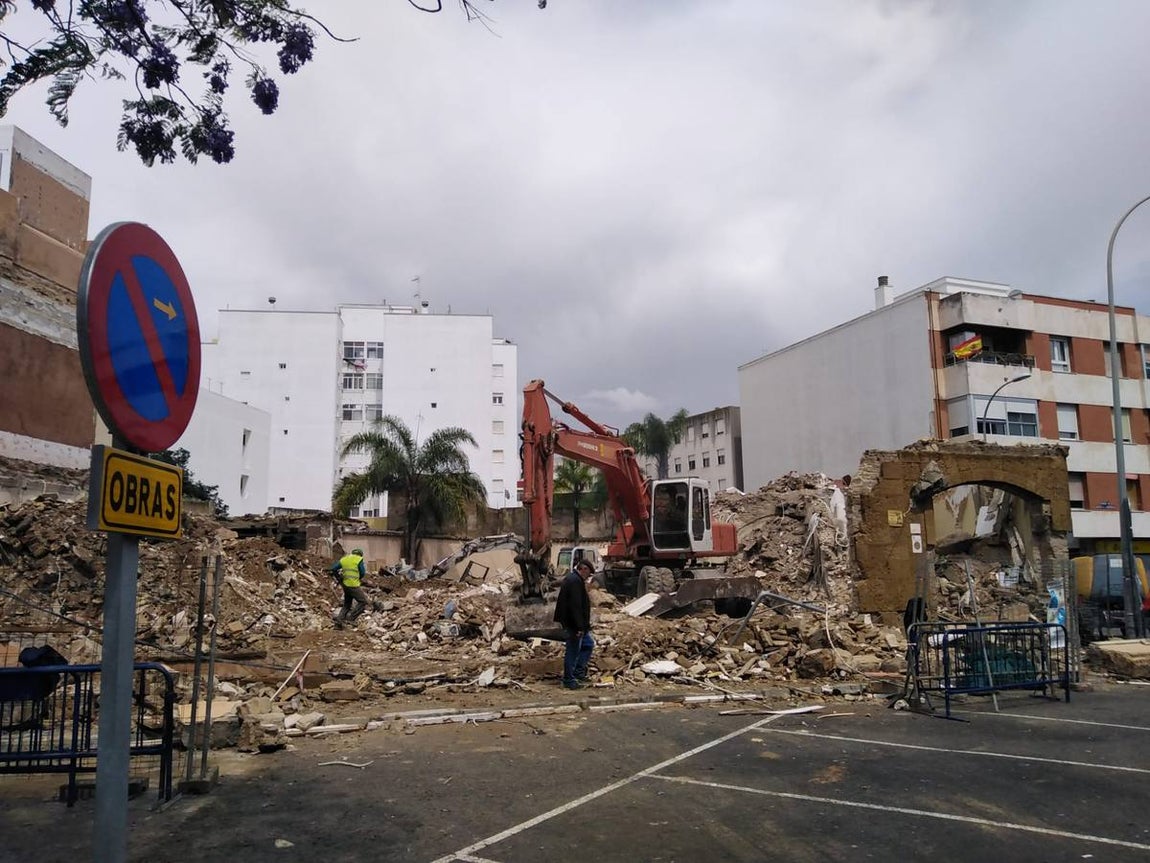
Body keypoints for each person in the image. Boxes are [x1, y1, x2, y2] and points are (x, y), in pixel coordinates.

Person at [553, 557, 595, 689]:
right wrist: (579, 627)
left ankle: (578, 673)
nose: (588, 577)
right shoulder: (575, 581)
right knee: (573, 650)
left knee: (588, 644)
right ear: (583, 569)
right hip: (573, 624)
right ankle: (569, 679)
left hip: (577, 624)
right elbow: (575, 606)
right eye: (588, 574)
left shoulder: (574, 579)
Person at [330, 547, 368, 629]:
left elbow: (333, 568)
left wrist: (338, 577)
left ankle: (338, 624)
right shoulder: (359, 559)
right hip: (353, 584)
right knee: (363, 601)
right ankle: (351, 618)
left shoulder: (345, 559)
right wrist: (358, 578)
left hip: (345, 584)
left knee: (347, 604)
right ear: (360, 554)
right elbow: (362, 572)